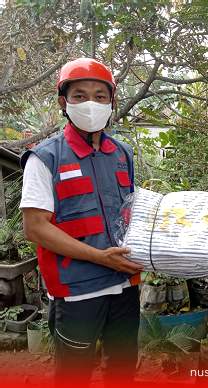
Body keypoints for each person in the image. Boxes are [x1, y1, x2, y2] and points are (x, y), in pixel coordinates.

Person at [20, 58, 144, 385]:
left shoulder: (121, 154)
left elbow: (130, 213)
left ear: (111, 102)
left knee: (122, 369)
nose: (91, 103)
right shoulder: (45, 158)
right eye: (80, 96)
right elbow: (35, 226)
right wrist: (98, 257)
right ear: (64, 102)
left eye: (100, 96)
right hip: (77, 290)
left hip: (126, 284)